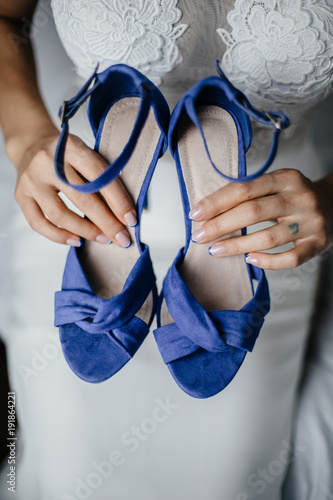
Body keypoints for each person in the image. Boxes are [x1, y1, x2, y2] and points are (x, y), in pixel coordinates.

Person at [0, 1, 332, 499]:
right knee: (71, 475)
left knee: (225, 480)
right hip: (88, 199)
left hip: (273, 223)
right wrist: (27, 140)